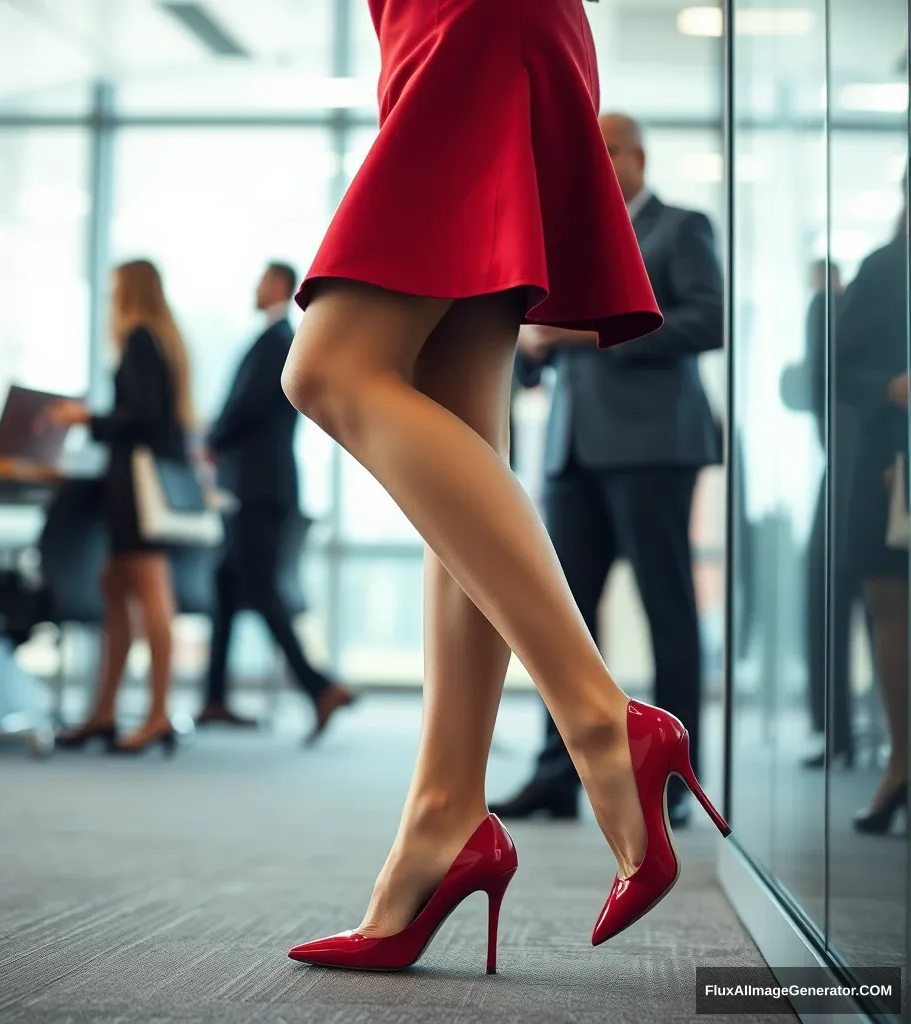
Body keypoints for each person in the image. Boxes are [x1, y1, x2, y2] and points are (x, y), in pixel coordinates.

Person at [281, 0, 730, 973]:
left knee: (325, 371)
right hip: (459, 33)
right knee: (463, 442)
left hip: (469, 26)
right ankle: (444, 813)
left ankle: (602, 720)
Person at [491, 112, 724, 828]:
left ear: (636, 156)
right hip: (573, 452)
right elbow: (541, 341)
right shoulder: (570, 238)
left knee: (668, 613)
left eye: (606, 150)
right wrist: (528, 350)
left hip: (652, 447)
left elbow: (705, 322)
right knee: (563, 622)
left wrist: (579, 335)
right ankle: (557, 777)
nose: (592, 164)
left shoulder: (681, 227)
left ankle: (677, 786)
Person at [199, 262, 355, 741]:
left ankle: (319, 687)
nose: (255, 286)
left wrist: (212, 440)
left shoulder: (277, 341)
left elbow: (245, 407)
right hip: (254, 485)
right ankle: (215, 698)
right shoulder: (272, 339)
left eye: (264, 279)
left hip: (259, 488)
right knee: (227, 585)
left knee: (261, 590)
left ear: (282, 287)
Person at [45, 259, 194, 756]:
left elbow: (142, 418)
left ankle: (156, 715)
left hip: (136, 484)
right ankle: (104, 712)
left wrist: (85, 417)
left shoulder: (141, 339)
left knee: (151, 591)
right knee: (115, 586)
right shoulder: (162, 341)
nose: (110, 297)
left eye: (115, 288)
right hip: (134, 482)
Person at [835, 194, 909, 834]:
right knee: (889, 605)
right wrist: (892, 386)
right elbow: (836, 364)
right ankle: (901, 764)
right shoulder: (887, 267)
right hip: (891, 462)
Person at [781, 261, 859, 768]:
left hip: (851, 467)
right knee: (870, 603)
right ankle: (843, 733)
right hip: (852, 464)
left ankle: (837, 732)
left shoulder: (825, 306)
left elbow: (810, 384)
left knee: (831, 594)